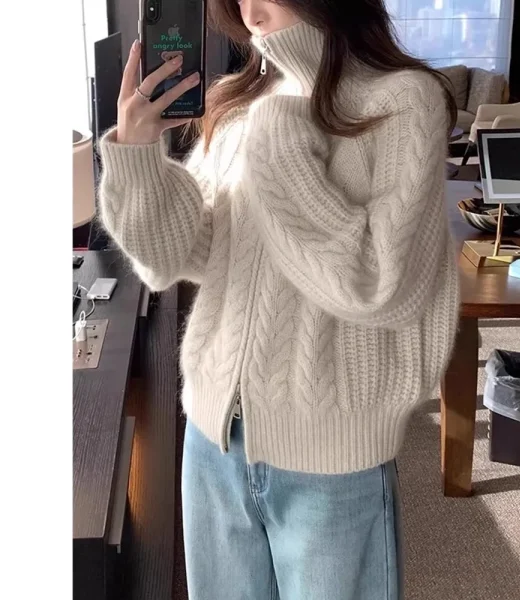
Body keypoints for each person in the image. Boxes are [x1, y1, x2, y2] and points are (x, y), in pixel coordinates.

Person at [98, 0, 460, 598]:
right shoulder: (239, 102)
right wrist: (137, 156)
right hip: (212, 444)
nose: (248, 7)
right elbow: (177, 255)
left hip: (332, 459)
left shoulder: (402, 100)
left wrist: (280, 141)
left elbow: (382, 286)